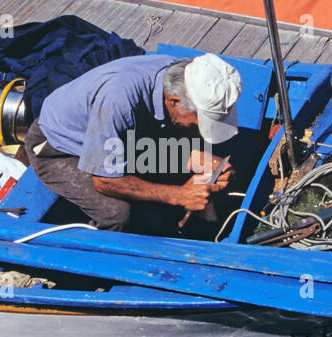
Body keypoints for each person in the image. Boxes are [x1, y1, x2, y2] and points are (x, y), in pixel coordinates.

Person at [21, 53, 242, 233]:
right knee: (117, 214)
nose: (199, 130)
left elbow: (144, 142)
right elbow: (105, 181)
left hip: (124, 139)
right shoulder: (118, 101)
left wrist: (197, 160)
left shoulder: (178, 76)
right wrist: (179, 195)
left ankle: (198, 231)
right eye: (198, 123)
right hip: (58, 148)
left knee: (199, 162)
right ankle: (90, 270)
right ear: (174, 101)